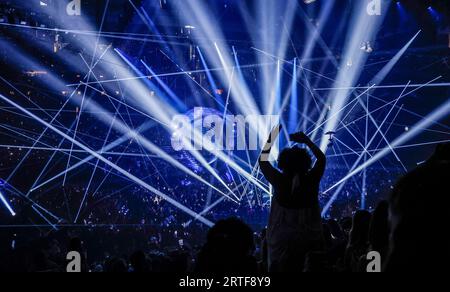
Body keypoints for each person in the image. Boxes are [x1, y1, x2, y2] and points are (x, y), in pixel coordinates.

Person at [259, 126, 326, 272]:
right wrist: (307, 141)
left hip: (280, 243)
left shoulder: (279, 181)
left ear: (282, 164)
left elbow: (262, 160)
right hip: (309, 241)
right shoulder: (311, 181)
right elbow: (321, 159)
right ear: (306, 163)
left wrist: (272, 137)